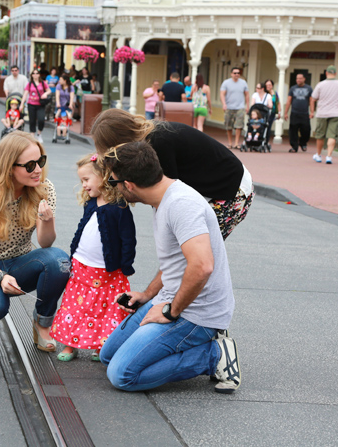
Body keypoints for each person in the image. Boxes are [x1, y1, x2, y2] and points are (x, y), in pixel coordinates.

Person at [99, 141, 241, 394]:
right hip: (168, 299)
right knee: (108, 356)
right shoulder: (163, 198)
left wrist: (171, 311)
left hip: (195, 313)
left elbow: (202, 266)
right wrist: (147, 295)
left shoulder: (181, 205)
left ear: (128, 185)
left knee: (122, 375)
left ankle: (213, 354)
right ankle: (181, 345)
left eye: (114, 182)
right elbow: (176, 261)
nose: (114, 188)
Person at [0, 132, 71, 350]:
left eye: (41, 161)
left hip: (21, 263)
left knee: (59, 261)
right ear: (10, 167)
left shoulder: (44, 188)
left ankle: (43, 323)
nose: (38, 169)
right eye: (30, 165)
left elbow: (45, 243)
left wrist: (47, 222)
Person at [92, 109, 253, 240]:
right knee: (184, 253)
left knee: (193, 252)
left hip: (233, 190)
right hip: (221, 184)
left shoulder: (158, 143)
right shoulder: (148, 137)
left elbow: (167, 196)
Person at [51, 153, 136, 362]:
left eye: (86, 180)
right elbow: (84, 228)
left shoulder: (119, 207)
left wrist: (126, 264)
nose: (84, 185)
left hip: (107, 270)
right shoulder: (90, 202)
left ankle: (101, 345)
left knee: (104, 309)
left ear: (104, 176)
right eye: (81, 181)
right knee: (76, 307)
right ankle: (70, 345)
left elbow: (128, 238)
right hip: (81, 266)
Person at [310, 65, 338, 164]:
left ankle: (318, 155)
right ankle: (329, 156)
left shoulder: (320, 85)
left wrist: (312, 110)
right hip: (335, 113)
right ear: (335, 73)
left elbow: (313, 98)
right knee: (332, 135)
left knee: (320, 135)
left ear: (326, 73)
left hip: (322, 113)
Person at [220, 67, 249, 149]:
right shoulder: (226, 83)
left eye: (238, 73)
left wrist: (247, 105)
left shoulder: (243, 83)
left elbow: (247, 94)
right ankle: (230, 143)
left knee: (238, 126)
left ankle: (236, 143)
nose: (236, 74)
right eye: (235, 73)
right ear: (231, 74)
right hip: (229, 107)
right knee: (228, 125)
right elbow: (222, 94)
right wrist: (224, 104)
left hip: (240, 107)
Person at [284, 73, 314, 153]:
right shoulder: (293, 88)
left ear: (304, 79)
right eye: (297, 78)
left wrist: (312, 112)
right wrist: (286, 113)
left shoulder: (309, 88)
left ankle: (303, 143)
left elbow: (311, 101)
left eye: (300, 78)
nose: (298, 80)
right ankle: (294, 147)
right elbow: (289, 101)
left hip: (304, 113)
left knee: (306, 130)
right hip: (294, 113)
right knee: (293, 131)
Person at [21, 69, 51, 143]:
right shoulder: (30, 84)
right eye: (33, 73)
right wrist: (22, 104)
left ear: (39, 74)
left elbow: (49, 90)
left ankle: (39, 134)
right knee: (32, 120)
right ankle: (32, 136)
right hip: (31, 104)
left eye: (36, 73)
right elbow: (25, 94)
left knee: (41, 120)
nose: (35, 75)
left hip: (40, 104)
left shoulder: (43, 83)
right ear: (31, 75)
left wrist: (45, 94)